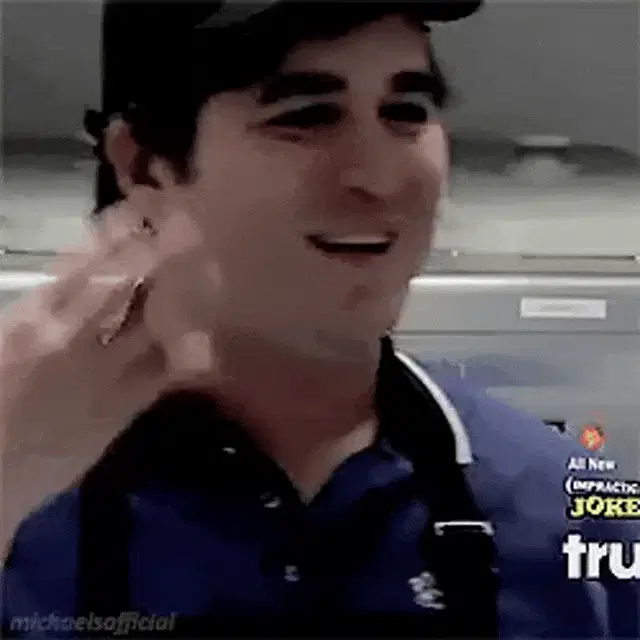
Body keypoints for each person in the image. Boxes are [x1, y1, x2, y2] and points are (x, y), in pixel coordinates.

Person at [1, 1, 639, 637]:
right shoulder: (25, 493)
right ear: (143, 164)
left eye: (406, 111)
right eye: (306, 116)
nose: (381, 179)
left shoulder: (567, 509)